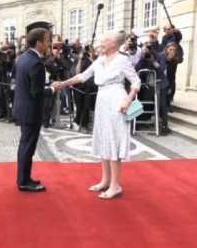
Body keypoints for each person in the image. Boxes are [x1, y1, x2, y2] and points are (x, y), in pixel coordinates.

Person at [54, 31, 141, 200]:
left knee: (114, 140)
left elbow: (136, 81)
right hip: (102, 100)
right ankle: (105, 180)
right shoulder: (99, 60)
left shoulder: (123, 60)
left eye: (104, 41)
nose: (101, 43)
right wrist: (63, 84)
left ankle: (115, 185)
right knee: (103, 138)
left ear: (114, 44)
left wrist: (129, 100)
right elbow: (83, 76)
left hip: (117, 100)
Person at [13, 28, 56, 192]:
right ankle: (23, 181)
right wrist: (51, 89)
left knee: (25, 146)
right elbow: (36, 92)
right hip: (31, 111)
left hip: (23, 109)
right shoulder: (36, 62)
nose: (49, 44)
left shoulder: (23, 58)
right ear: (38, 43)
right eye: (47, 40)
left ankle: (23, 178)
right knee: (27, 147)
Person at [135, 43, 170, 135]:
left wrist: (153, 61)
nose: (147, 51)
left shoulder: (159, 56)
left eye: (148, 49)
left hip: (161, 84)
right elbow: (137, 69)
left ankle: (164, 127)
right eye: (145, 49)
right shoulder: (143, 58)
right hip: (149, 85)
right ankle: (138, 122)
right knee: (144, 103)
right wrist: (143, 58)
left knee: (162, 106)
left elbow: (162, 68)